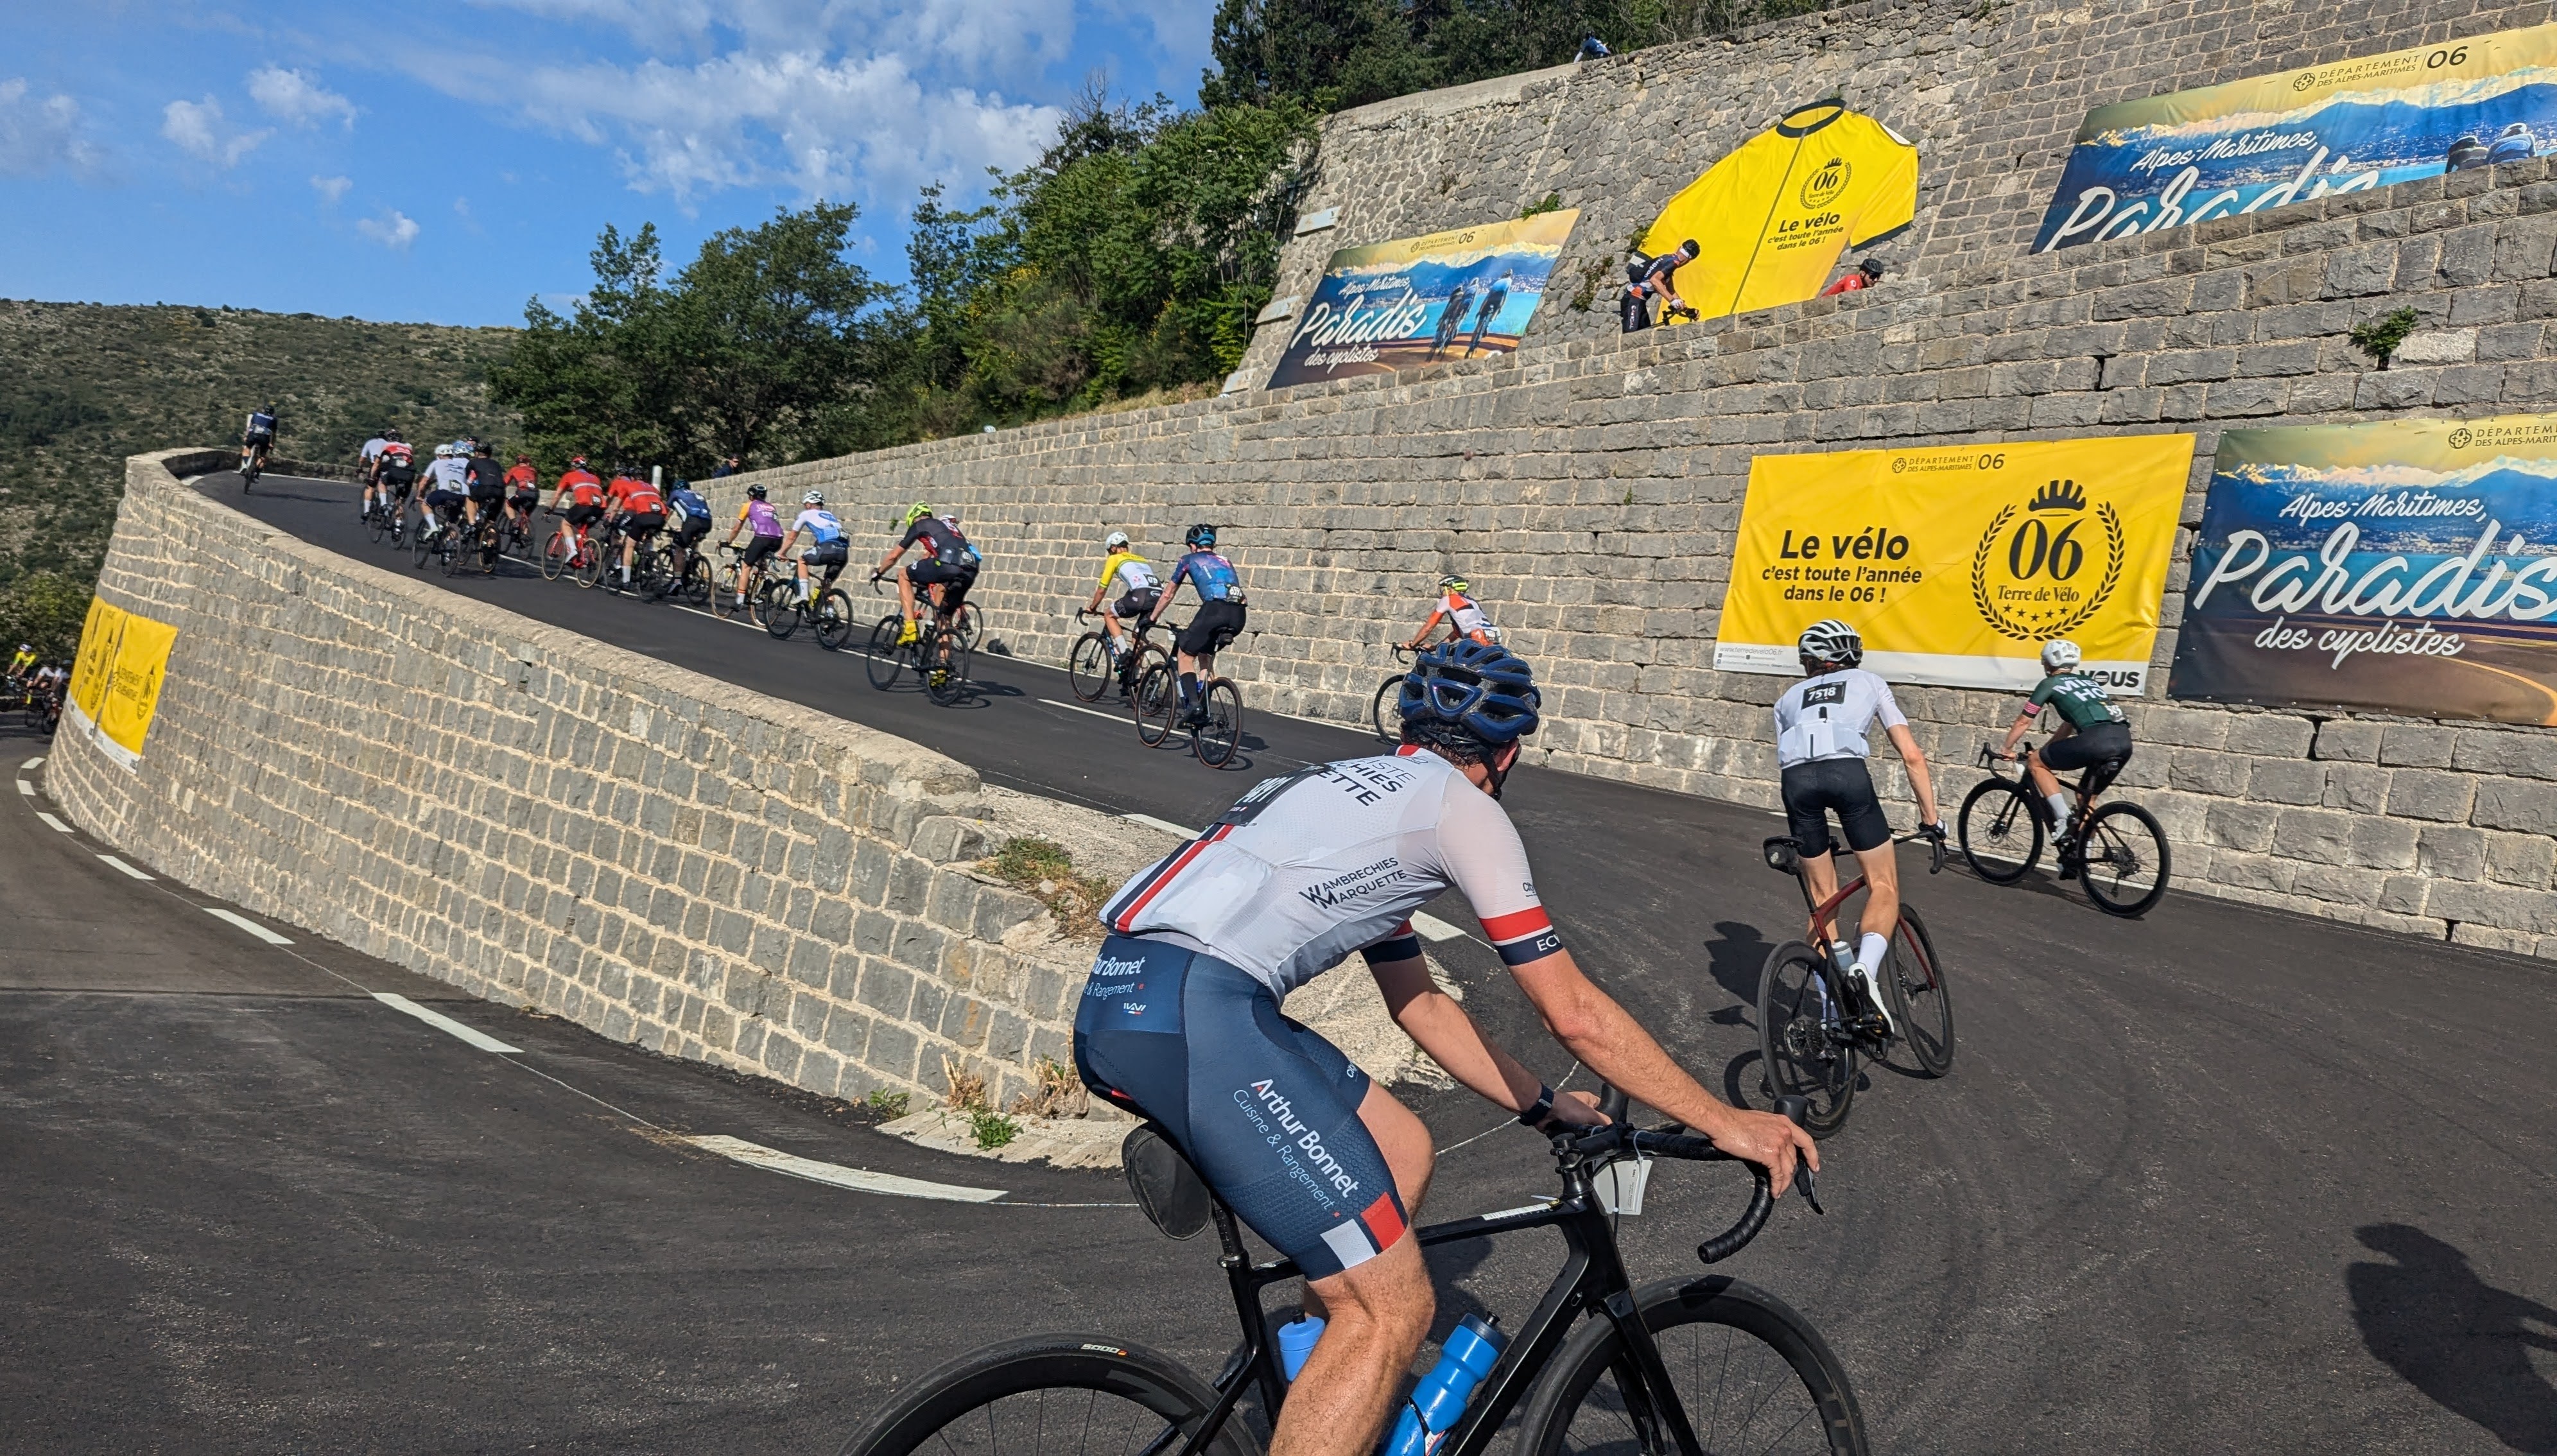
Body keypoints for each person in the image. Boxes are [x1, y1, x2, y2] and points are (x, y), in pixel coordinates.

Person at [1073, 639, 1817, 1456]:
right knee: (1393, 1309)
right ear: (1506, 754)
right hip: (1201, 1014)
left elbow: (1421, 1006)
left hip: (1134, 993)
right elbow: (1571, 1011)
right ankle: (1355, 1340)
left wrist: (1544, 1108)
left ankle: (1328, 1379)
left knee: (1403, 1148)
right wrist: (1723, 1120)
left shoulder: (1348, 790)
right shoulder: (1461, 812)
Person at [1771, 619, 1944, 1037]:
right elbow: (1912, 756)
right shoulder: (1868, 681)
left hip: (1796, 787)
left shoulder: (1787, 698)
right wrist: (1931, 819)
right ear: (1848, 652)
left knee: (1821, 900)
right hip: (1847, 776)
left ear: (1808, 660)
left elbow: (1787, 758)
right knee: (1883, 884)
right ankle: (1865, 969)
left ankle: (1832, 1007)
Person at [1995, 638, 2134, 878]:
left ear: (2048, 663)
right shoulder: (2088, 682)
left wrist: (2007, 747)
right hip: (2123, 740)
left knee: (2035, 763)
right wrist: (2047, 750)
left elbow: (2024, 720)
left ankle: (2062, 819)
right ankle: (2081, 858)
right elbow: (2068, 725)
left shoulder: (2050, 683)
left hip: (2094, 740)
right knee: (2086, 798)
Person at [1147, 523, 1245, 728]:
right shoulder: (1225, 561)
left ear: (1193, 545)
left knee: (1184, 654)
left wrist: (1152, 618)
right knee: (1205, 656)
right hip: (1238, 615)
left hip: (1214, 611)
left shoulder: (1188, 559)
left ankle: (1193, 706)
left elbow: (1168, 594)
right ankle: (1204, 701)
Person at [874, 502, 975, 646]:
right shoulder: (948, 529)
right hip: (970, 569)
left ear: (914, 518)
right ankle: (943, 667)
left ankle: (910, 628)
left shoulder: (921, 525)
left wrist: (879, 573)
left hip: (947, 565)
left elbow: (893, 557)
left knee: (903, 574)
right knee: (943, 621)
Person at [1083, 530, 1161, 655]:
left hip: (1141, 595)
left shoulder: (1114, 558)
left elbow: (1102, 589)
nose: (1110, 554)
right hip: (1158, 598)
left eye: (1109, 551)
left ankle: (1124, 651)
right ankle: (1139, 673)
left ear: (1114, 548)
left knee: (1109, 614)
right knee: (1137, 636)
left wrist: (1093, 607)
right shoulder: (1141, 559)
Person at [781, 490, 849, 605]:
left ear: (809, 504)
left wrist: (782, 553)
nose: (805, 507)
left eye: (805, 505)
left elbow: (792, 537)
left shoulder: (806, 514)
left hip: (827, 549)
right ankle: (830, 613)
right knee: (827, 586)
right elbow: (832, 536)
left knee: (801, 560)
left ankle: (803, 595)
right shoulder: (830, 515)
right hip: (842, 553)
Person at [722, 483, 786, 605]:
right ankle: (766, 580)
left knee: (746, 566)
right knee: (761, 560)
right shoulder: (771, 507)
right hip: (778, 539)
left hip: (762, 538)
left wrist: (729, 541)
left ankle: (740, 600)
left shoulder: (749, 505)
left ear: (751, 496)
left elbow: (738, 526)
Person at [602, 467, 666, 587]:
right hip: (660, 518)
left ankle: (626, 580)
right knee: (647, 541)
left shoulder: (628, 486)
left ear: (632, 478)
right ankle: (648, 565)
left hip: (642, 516)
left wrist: (610, 521)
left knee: (629, 544)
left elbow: (616, 507)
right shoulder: (653, 488)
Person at [1401, 575, 1499, 650]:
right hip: (1492, 638)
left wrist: (1412, 644)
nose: (1442, 592)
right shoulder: (1472, 601)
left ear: (1449, 589)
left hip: (1476, 639)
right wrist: (1438, 647)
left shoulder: (1449, 599)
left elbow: (1429, 627)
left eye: (1443, 589)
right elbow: (1457, 632)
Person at [1621, 240, 1699, 333]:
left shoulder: (1667, 259)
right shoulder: (1673, 263)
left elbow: (1671, 291)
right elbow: (1655, 280)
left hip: (1638, 301)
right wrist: (1672, 301)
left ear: (1680, 248)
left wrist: (1686, 310)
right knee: (1630, 337)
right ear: (1689, 260)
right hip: (1633, 300)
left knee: (1645, 336)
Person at [546, 455, 608, 563]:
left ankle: (572, 550)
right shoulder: (595, 478)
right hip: (600, 509)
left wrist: (551, 509)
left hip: (584, 506)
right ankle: (585, 553)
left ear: (575, 466)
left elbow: (558, 495)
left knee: (566, 524)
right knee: (583, 529)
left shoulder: (569, 476)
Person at [417, 444, 469, 544]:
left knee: (426, 504)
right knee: (452, 522)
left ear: (440, 455)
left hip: (444, 491)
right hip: (462, 495)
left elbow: (425, 480)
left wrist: (420, 494)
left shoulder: (437, 463)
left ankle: (433, 527)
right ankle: (450, 547)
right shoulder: (461, 466)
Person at [462, 442, 510, 547]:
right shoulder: (496, 464)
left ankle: (472, 524)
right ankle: (490, 547)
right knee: (491, 520)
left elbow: (466, 477)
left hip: (484, 488)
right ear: (490, 454)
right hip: (500, 491)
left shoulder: (473, 462)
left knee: (470, 498)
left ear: (477, 453)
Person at [664, 478, 714, 576]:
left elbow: (669, 510)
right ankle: (693, 567)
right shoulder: (698, 494)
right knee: (692, 545)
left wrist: (664, 523)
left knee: (680, 548)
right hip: (708, 522)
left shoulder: (676, 493)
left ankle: (677, 581)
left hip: (693, 521)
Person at [1465, 269, 1514, 355]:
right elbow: (1505, 296)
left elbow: (1487, 297)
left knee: (1478, 326)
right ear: (1510, 275)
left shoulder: (1497, 282)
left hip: (1488, 302)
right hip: (1497, 302)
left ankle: (1471, 346)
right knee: (1492, 317)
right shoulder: (1509, 280)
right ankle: (1486, 328)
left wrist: (1480, 310)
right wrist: (1501, 308)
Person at [503, 453, 542, 534]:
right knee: (526, 517)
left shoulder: (514, 469)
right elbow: (535, 483)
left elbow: (505, 483)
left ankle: (515, 523)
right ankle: (526, 538)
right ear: (527, 462)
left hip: (522, 493)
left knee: (508, 503)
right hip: (535, 495)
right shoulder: (533, 470)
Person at [1819, 257, 1886, 297]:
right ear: (1863, 273)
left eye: (1878, 277)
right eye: (1873, 276)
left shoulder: (1864, 286)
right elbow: (1850, 297)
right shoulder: (1852, 280)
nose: (1876, 280)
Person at [240, 403, 278, 473]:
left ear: (263, 410)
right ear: (272, 413)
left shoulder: (256, 414)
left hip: (253, 435)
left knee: (247, 448)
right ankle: (256, 472)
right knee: (263, 456)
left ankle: (245, 465)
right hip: (264, 439)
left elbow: (250, 427)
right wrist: (272, 444)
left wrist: (246, 436)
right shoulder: (274, 419)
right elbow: (274, 434)